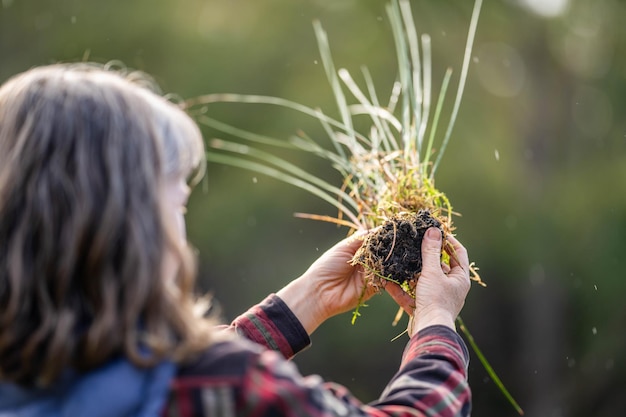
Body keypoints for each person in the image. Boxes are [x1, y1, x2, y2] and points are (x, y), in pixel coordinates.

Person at [0, 63, 472, 417]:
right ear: (135, 223)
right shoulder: (221, 385)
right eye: (179, 203)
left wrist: (308, 301)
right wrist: (435, 322)